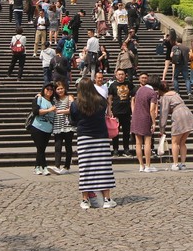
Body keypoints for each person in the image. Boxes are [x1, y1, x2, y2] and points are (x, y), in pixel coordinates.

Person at [70, 80, 117, 209]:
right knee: (104, 167)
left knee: (85, 168)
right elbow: (105, 114)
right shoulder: (101, 101)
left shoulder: (75, 104)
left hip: (84, 137)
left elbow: (73, 120)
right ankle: (107, 198)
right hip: (100, 136)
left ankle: (85, 200)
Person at [155, 81, 193, 171]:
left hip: (178, 114)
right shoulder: (175, 94)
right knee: (182, 142)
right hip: (187, 112)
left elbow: (163, 114)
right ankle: (183, 164)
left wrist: (162, 128)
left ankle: (175, 163)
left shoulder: (165, 97)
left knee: (175, 142)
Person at [131, 73, 157, 172]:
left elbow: (133, 101)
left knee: (138, 143)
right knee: (147, 142)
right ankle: (148, 165)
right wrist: (154, 122)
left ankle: (141, 165)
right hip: (145, 118)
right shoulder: (152, 93)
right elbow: (152, 110)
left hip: (136, 117)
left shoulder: (139, 90)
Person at [29, 83, 57, 175]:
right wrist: (49, 110)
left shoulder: (53, 102)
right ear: (43, 90)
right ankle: (44, 167)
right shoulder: (39, 98)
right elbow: (36, 111)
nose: (49, 91)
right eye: (47, 89)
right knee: (40, 148)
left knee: (41, 149)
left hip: (48, 129)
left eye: (51, 89)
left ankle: (37, 167)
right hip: (37, 127)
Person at [48, 80, 75, 175]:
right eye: (58, 89)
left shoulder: (69, 97)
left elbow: (73, 109)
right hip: (57, 125)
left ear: (65, 89)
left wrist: (60, 111)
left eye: (61, 88)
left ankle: (67, 166)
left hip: (68, 125)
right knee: (57, 146)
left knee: (68, 146)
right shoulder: (54, 100)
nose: (60, 91)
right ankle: (57, 166)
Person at [108, 69, 134, 158]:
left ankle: (126, 149)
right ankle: (115, 149)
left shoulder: (129, 84)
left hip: (126, 112)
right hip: (116, 111)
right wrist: (109, 110)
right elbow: (110, 98)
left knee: (126, 132)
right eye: (119, 74)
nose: (121, 76)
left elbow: (134, 97)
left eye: (122, 74)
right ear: (116, 75)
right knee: (115, 132)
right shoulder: (112, 85)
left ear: (125, 75)